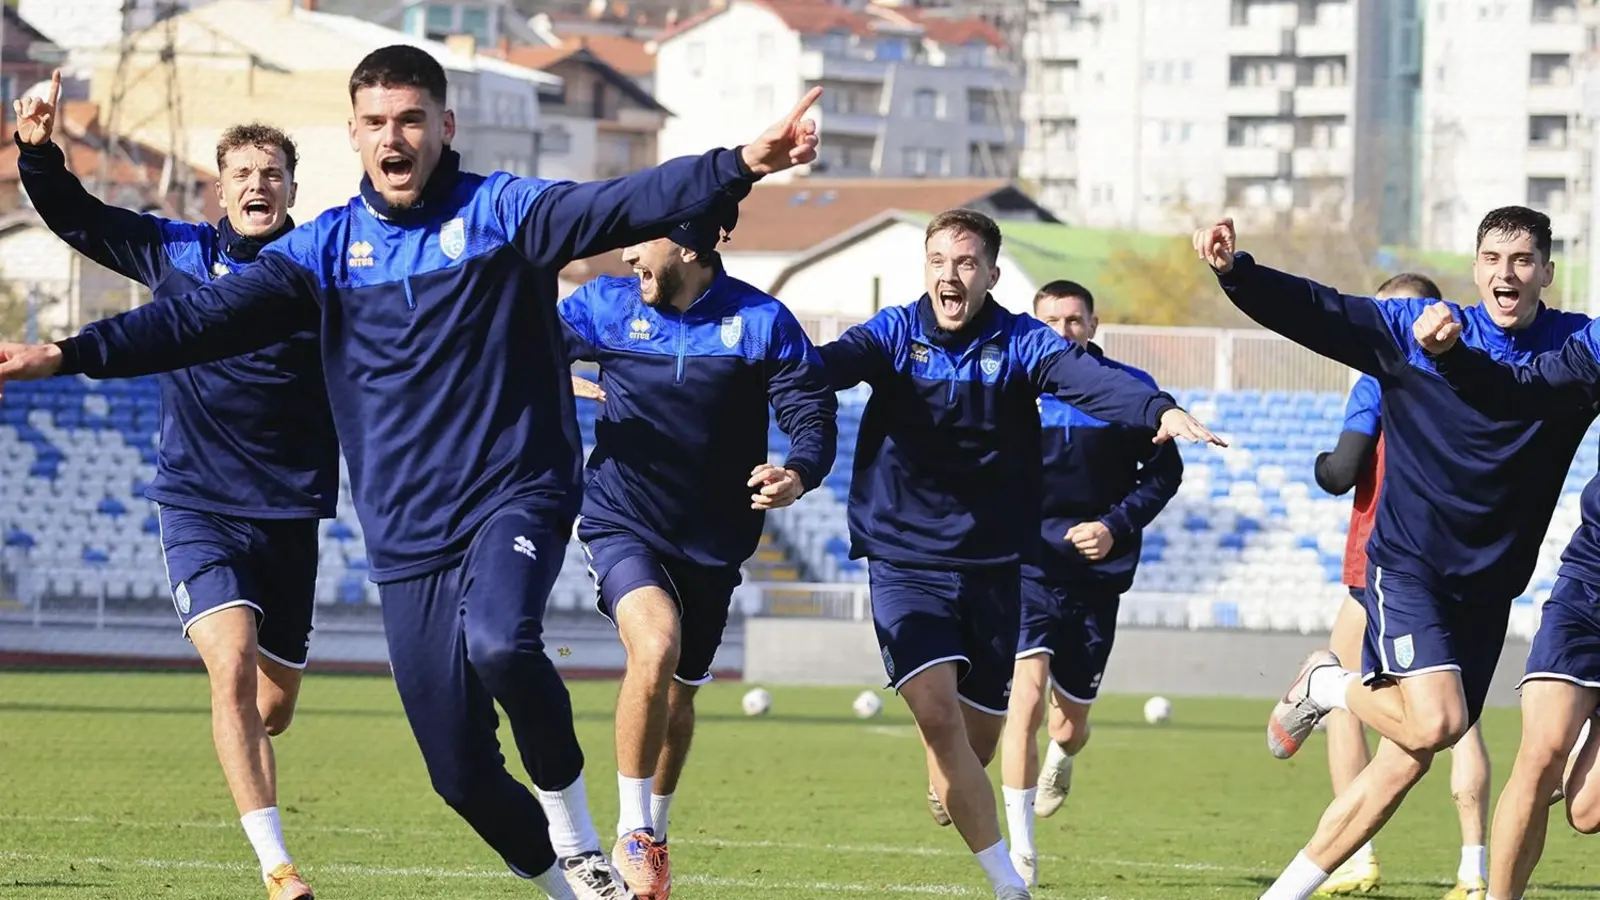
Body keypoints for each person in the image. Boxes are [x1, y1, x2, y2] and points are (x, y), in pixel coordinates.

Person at [0, 45, 821, 900]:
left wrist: (742, 165)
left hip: (516, 488)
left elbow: (618, 202)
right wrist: (67, 353)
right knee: (457, 774)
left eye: (412, 120)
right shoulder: (324, 250)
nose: (395, 137)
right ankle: (577, 892)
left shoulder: (504, 212)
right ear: (354, 136)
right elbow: (195, 323)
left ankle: (583, 835)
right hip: (405, 531)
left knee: (503, 641)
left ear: (443, 127)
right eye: (377, 123)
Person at [818, 208, 1224, 899]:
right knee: (941, 715)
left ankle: (956, 779)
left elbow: (1089, 380)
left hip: (993, 566)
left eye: (967, 262)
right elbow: (826, 364)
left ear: (991, 275)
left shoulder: (1020, 342)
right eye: (939, 260)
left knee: (973, 746)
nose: (951, 274)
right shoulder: (893, 333)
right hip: (904, 557)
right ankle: (1011, 882)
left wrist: (1155, 409)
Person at [1191, 207, 1595, 900]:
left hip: (1490, 586)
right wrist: (1238, 273)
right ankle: (1327, 684)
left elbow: (1516, 393)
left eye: (1523, 260)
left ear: (1547, 275)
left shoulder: (1577, 350)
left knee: (1406, 759)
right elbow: (1322, 311)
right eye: (1494, 258)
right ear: (1475, 269)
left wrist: (1455, 360)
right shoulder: (1412, 329)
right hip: (1409, 568)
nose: (1507, 273)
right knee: (1437, 723)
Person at [12, 73, 335, 900]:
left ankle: (248, 764)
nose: (257, 185)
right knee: (227, 668)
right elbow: (81, 220)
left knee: (270, 708)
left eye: (272, 173)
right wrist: (39, 153)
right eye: (242, 174)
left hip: (291, 512)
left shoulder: (324, 266)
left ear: (294, 188)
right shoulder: (177, 250)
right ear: (218, 189)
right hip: (197, 502)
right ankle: (279, 868)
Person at [557, 204, 837, 898]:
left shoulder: (762, 321)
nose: (626, 259)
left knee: (679, 695)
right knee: (654, 647)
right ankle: (631, 834)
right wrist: (549, 381)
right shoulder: (603, 307)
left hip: (716, 541)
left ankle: (656, 825)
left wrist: (797, 472)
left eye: (638, 245)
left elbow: (810, 409)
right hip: (622, 519)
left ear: (686, 248)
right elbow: (517, 353)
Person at [1310, 273, 1493, 900]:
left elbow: (1342, 472)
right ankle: (1474, 869)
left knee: (1341, 692)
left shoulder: (1379, 372)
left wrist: (1320, 466)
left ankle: (1356, 856)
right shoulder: (1478, 367)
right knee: (1461, 719)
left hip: (1386, 560)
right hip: (1467, 559)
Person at [1409, 299, 1600, 900]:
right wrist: (1452, 356)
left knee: (1588, 812)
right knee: (1540, 750)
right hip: (1590, 589)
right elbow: (1517, 386)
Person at [996, 280, 1183, 888]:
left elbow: (1163, 475)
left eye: (1074, 321)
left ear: (1093, 325)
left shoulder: (1127, 392)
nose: (1062, 332)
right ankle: (1019, 849)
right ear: (1034, 322)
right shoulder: (1011, 390)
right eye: (1050, 321)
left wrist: (1113, 526)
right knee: (1022, 697)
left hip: (1099, 575)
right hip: (1025, 566)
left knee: (1068, 725)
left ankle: (1060, 759)